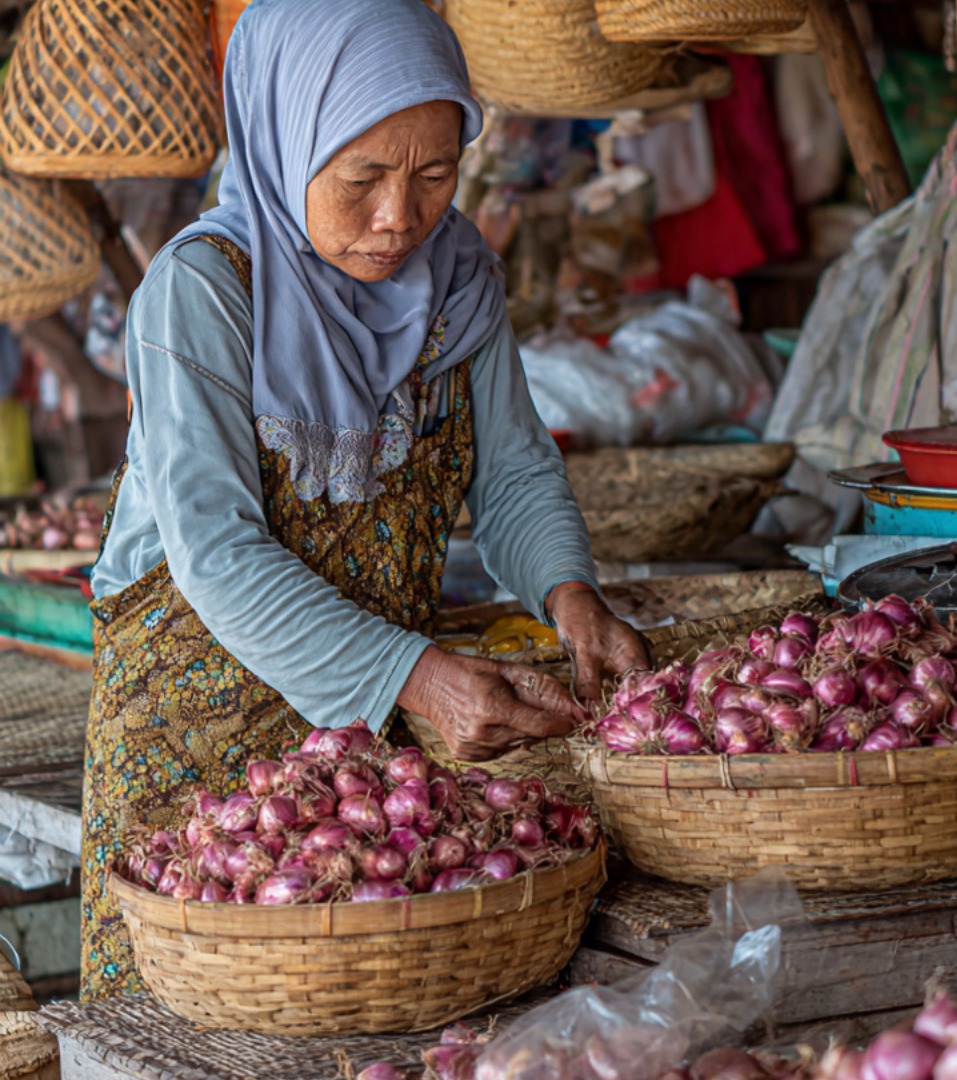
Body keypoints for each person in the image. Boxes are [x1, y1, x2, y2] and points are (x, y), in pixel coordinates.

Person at [79, 0, 649, 1000]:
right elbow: (217, 552)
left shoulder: (459, 277)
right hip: (190, 729)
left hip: (363, 735)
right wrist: (417, 680)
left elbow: (512, 470)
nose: (400, 220)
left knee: (365, 1008)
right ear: (283, 138)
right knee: (186, 1018)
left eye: (436, 175)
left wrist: (572, 599)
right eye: (362, 178)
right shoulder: (202, 292)